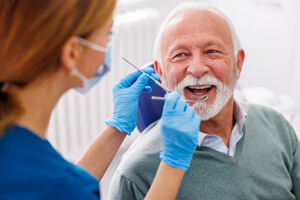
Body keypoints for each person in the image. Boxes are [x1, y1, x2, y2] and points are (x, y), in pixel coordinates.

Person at [0, 1, 202, 199]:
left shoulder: (22, 152)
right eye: (108, 35)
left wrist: (117, 127)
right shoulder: (61, 184)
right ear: (72, 53)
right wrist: (173, 163)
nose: (197, 68)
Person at [109, 2, 300, 200]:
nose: (197, 69)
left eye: (212, 51)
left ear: (238, 63)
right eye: (180, 55)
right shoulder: (135, 175)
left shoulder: (279, 128)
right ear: (161, 73)